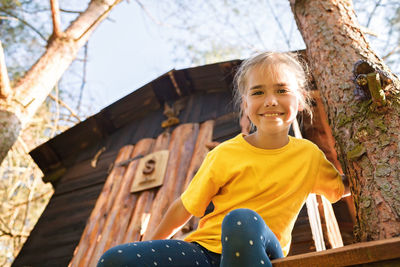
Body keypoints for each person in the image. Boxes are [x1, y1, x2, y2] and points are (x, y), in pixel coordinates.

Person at [97, 51, 346, 267]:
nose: (270, 100)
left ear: (300, 99)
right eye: (258, 92)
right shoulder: (225, 154)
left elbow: (342, 188)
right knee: (116, 259)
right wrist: (156, 244)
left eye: (281, 90)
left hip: (261, 251)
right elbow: (184, 207)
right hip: (204, 252)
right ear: (245, 104)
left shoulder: (309, 156)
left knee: (241, 220)